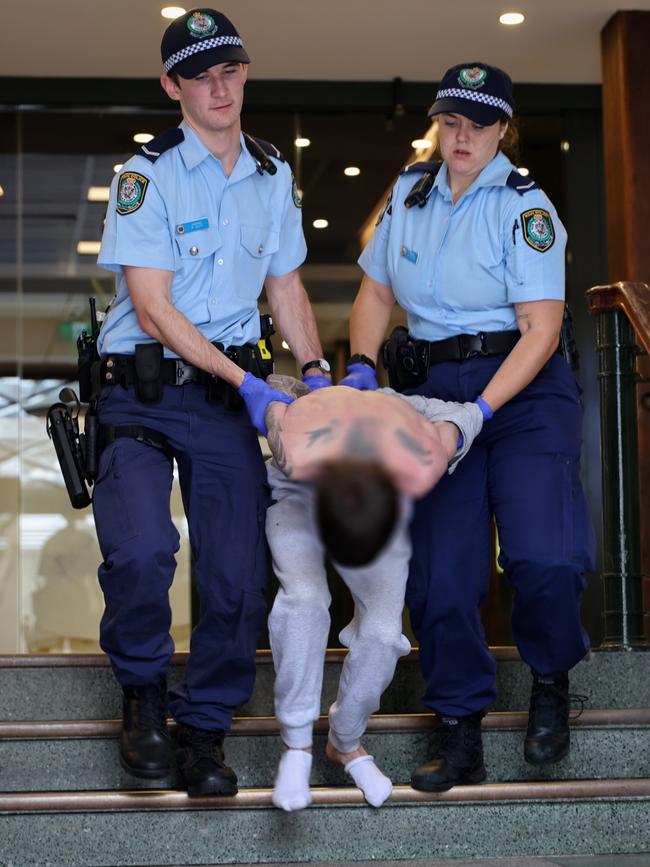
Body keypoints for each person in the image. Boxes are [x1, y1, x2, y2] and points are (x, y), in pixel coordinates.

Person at [93, 8, 329, 796]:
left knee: (235, 573)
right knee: (141, 551)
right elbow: (155, 307)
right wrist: (250, 383)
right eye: (201, 75)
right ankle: (144, 697)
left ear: (244, 74)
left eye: (230, 70)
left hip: (228, 399)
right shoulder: (146, 176)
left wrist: (319, 370)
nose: (219, 87)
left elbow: (285, 284)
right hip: (142, 392)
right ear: (173, 87)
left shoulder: (271, 173)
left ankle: (204, 728)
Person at [341, 62, 595, 791]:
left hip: (520, 391)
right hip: (430, 389)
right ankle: (458, 726)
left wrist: (475, 418)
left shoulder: (526, 207)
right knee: (441, 572)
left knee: (544, 557)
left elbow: (541, 331)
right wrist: (362, 365)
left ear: (502, 130)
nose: (461, 137)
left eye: (478, 125)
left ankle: (550, 676)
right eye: (451, 122)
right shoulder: (410, 195)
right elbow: (377, 289)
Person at [261, 376, 484, 809]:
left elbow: (471, 411)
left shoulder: (396, 408)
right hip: (296, 498)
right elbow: (266, 397)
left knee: (383, 633)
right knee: (304, 601)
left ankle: (344, 742)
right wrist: (274, 407)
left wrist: (451, 433)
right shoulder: (301, 419)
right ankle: (297, 745)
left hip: (374, 505)